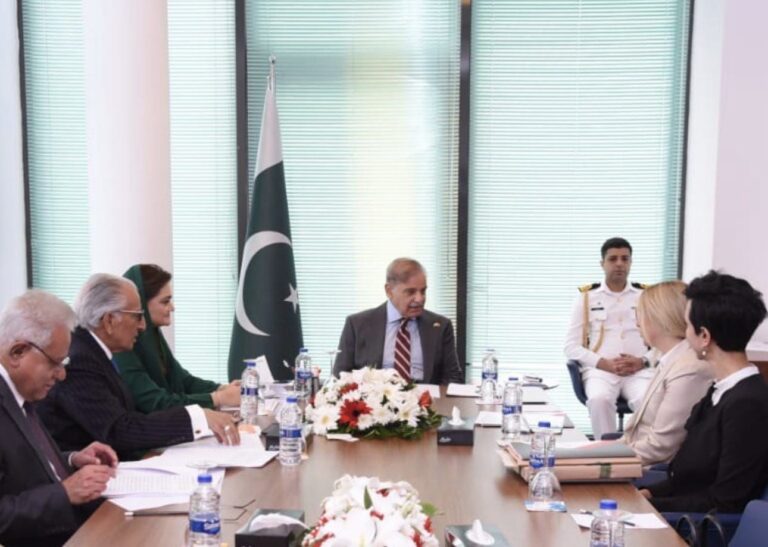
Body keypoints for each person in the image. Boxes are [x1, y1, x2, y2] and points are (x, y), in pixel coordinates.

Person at [38, 274, 240, 461]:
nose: (143, 326)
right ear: (109, 320)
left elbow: (126, 418)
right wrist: (197, 417)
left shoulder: (94, 351)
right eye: (137, 316)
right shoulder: (80, 360)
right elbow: (118, 430)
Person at [640, 271, 768, 513]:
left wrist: (647, 505)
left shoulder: (747, 404)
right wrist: (648, 494)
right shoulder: (720, 390)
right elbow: (688, 479)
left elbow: (725, 500)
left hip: (699, 526)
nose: (685, 334)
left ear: (704, 336)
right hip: (680, 512)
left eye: (687, 325)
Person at [0, 289, 118, 547]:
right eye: (55, 363)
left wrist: (72, 459)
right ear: (17, 352)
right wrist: (65, 493)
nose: (62, 375)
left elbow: (22, 469)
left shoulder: (20, 394)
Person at [113, 264, 240, 412]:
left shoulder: (153, 336)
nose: (172, 307)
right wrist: (218, 398)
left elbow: (184, 381)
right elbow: (154, 402)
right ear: (142, 304)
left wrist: (224, 389)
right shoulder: (121, 346)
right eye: (165, 301)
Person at [564, 237, 656, 439]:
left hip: (638, 370)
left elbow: (663, 343)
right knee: (599, 400)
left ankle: (643, 453)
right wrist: (603, 363)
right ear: (602, 263)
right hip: (601, 371)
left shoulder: (646, 296)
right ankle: (605, 452)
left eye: (625, 259)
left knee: (648, 400)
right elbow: (571, 347)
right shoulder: (587, 297)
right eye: (613, 259)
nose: (619, 264)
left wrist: (642, 361)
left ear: (631, 262)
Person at [620, 281, 713, 466]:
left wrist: (604, 458)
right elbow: (637, 435)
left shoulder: (689, 368)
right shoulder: (668, 358)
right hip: (637, 458)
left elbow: (659, 448)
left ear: (660, 318)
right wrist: (595, 450)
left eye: (641, 315)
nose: (637, 324)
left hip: (653, 471)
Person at [333, 258, 463, 385]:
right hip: (376, 397)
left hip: (427, 397)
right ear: (389, 291)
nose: (419, 299)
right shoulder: (357, 325)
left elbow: (453, 378)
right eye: (411, 292)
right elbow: (341, 378)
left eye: (423, 291)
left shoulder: (440, 326)